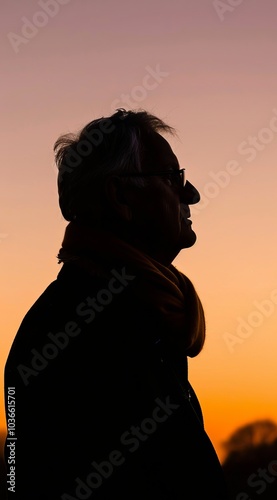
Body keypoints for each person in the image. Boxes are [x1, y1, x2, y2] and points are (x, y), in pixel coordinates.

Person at [4, 108, 231, 499]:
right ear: (120, 196)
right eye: (172, 177)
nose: (191, 193)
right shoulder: (77, 330)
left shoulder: (137, 308)